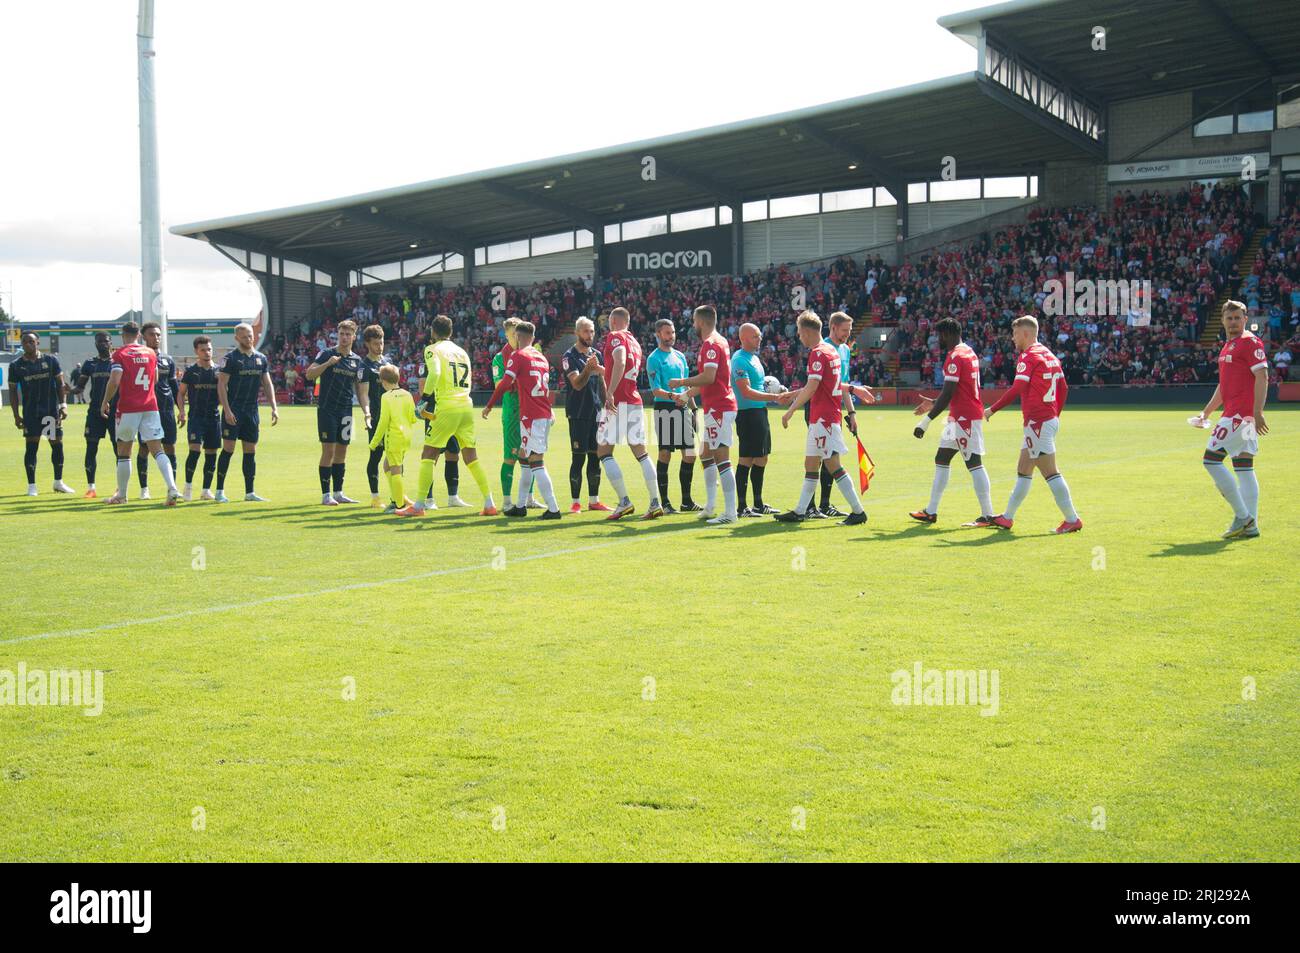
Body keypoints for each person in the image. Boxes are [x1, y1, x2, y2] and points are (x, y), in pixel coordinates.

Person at [984, 315, 1082, 533]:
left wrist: (993, 409)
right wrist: (1055, 415)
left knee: (1050, 472)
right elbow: (1063, 388)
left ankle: (1072, 519)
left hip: (1038, 422)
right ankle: (1007, 517)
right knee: (1024, 469)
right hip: (1045, 420)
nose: (1013, 338)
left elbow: (1017, 388)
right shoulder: (1049, 355)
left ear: (1026, 334)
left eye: (1015, 334)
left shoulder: (1028, 357)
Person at [773, 311, 867, 526]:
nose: (799, 337)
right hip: (823, 418)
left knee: (833, 465)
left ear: (806, 332)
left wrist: (790, 410)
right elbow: (822, 385)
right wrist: (794, 394)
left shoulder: (818, 354)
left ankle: (858, 510)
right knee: (811, 464)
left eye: (799, 333)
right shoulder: (831, 352)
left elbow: (813, 388)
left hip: (823, 419)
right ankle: (800, 510)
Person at [1192, 299, 1269, 538]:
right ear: (1223, 320)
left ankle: (1243, 516)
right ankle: (1251, 525)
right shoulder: (1229, 346)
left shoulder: (1249, 343)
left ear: (1246, 319)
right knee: (1244, 468)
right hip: (1236, 415)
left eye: (1238, 318)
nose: (1233, 322)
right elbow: (1223, 386)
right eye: (1229, 318)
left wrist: (1257, 412)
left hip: (1239, 416)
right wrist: (1206, 412)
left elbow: (1263, 377)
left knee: (1211, 461)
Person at [909, 318, 997, 526]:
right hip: (958, 416)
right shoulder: (968, 351)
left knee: (974, 463)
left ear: (947, 334)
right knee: (942, 457)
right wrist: (933, 402)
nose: (937, 340)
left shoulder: (955, 357)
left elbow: (949, 393)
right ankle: (931, 511)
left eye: (939, 336)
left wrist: (925, 421)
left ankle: (988, 515)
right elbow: (957, 391)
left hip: (964, 418)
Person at [409, 315, 497, 516]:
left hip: (446, 407)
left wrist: (424, 399)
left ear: (433, 331)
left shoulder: (432, 349)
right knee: (471, 457)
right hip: (466, 406)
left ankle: (419, 506)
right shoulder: (462, 352)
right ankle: (489, 503)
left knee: (428, 455)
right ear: (451, 332)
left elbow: (436, 374)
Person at [668, 305, 739, 524]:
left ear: (701, 322)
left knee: (722, 459)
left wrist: (681, 382)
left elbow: (708, 377)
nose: (693, 326)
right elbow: (713, 380)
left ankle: (730, 513)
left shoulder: (711, 344)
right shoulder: (719, 341)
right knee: (706, 454)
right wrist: (687, 393)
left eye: (694, 322)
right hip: (715, 407)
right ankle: (710, 507)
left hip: (719, 408)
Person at [482, 321, 561, 518]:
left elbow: (504, 384)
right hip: (543, 413)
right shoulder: (541, 357)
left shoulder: (518, 355)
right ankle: (520, 505)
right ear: (533, 338)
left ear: (517, 337)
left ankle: (554, 509)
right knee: (525, 459)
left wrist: (490, 404)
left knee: (536, 462)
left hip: (530, 416)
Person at [99, 321, 179, 505]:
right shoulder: (151, 353)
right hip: (151, 406)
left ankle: (121, 495)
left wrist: (105, 401)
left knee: (124, 452)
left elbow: (114, 380)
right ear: (139, 335)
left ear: (123, 335)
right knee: (157, 450)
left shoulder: (120, 354)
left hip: (128, 408)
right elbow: (156, 378)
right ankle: (172, 487)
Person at [596, 307, 663, 521]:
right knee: (641, 453)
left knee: (604, 452)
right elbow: (623, 365)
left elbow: (620, 361)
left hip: (619, 402)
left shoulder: (615, 336)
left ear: (614, 321)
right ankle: (655, 502)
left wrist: (610, 393)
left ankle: (624, 501)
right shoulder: (634, 341)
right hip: (634, 400)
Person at [304, 318, 370, 505]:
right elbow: (309, 374)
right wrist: (328, 364)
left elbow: (361, 390)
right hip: (327, 410)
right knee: (329, 451)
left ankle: (339, 492)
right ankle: (326, 495)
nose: (344, 337)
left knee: (342, 451)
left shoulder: (357, 361)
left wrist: (366, 412)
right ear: (337, 335)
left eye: (348, 334)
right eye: (341, 334)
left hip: (346, 411)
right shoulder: (326, 354)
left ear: (354, 337)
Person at [216, 321, 278, 502]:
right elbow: (221, 385)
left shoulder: (260, 358)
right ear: (237, 338)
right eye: (244, 336)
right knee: (228, 449)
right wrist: (226, 410)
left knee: (250, 451)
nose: (248, 339)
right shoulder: (231, 359)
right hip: (233, 410)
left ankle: (250, 492)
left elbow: (267, 383)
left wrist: (274, 407)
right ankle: (219, 491)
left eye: (250, 335)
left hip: (252, 411)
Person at [730, 322, 787, 516]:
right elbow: (745, 391)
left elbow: (760, 385)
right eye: (755, 336)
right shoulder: (739, 360)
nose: (760, 339)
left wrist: (778, 390)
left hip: (760, 412)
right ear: (744, 338)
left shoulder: (754, 359)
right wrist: (774, 398)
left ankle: (758, 504)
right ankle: (741, 507)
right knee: (746, 458)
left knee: (762, 457)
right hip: (747, 415)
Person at [645, 318, 700, 514]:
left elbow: (687, 386)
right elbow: (655, 390)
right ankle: (666, 503)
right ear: (658, 334)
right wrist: (673, 395)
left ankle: (686, 501)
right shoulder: (654, 358)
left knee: (690, 455)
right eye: (667, 333)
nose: (671, 336)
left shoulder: (680, 356)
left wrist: (694, 410)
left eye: (673, 332)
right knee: (665, 454)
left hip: (683, 408)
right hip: (665, 408)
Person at [8, 331, 72, 496]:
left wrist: (63, 405)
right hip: (31, 414)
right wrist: (16, 415)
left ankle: (58, 482)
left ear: (37, 342)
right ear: (21, 345)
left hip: (50, 412)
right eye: (25, 342)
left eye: (31, 341)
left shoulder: (50, 361)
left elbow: (60, 384)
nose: (28, 344)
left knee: (56, 444)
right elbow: (13, 392)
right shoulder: (16, 365)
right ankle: (32, 486)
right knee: (31, 447)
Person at [807, 311, 857, 518]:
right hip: (818, 410)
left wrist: (851, 413)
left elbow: (841, 385)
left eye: (849, 330)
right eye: (845, 330)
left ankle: (824, 504)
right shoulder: (822, 349)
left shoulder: (845, 350)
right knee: (818, 458)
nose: (847, 334)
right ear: (833, 327)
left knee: (828, 456)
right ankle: (810, 507)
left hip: (833, 411)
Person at [561, 316, 608, 513]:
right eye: (586, 331)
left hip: (596, 414)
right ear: (577, 333)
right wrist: (588, 369)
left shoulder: (596, 354)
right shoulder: (569, 357)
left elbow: (603, 382)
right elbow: (577, 384)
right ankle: (575, 502)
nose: (590, 335)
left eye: (592, 331)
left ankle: (594, 500)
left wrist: (607, 404)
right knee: (578, 458)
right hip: (578, 413)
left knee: (595, 457)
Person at [134, 322, 179, 500]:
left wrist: (181, 410)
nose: (156, 338)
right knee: (144, 449)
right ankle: (144, 489)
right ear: (144, 337)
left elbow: (174, 387)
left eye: (158, 335)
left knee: (170, 448)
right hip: (147, 410)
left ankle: (172, 488)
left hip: (167, 410)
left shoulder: (168, 359)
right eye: (152, 334)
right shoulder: (139, 359)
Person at [177, 334, 222, 500]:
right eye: (203, 350)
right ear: (197, 351)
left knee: (211, 454)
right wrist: (181, 411)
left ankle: (205, 490)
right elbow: (180, 393)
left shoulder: (219, 371)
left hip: (214, 418)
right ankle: (188, 487)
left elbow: (225, 392)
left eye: (209, 349)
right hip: (196, 418)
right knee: (194, 451)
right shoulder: (191, 372)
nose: (207, 352)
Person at [369, 366, 419, 517]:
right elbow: (413, 417)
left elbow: (383, 421)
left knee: (395, 469)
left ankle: (399, 504)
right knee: (387, 466)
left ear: (383, 381)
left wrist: (374, 441)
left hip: (394, 437)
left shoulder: (386, 397)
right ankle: (399, 497)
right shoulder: (407, 394)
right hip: (406, 436)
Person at [72, 332, 114, 497]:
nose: (102, 344)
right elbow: (80, 387)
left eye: (105, 341)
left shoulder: (118, 361)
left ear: (111, 343)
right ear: (95, 344)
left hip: (114, 411)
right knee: (91, 448)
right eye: (99, 341)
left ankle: (120, 487)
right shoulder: (90, 363)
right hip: (95, 411)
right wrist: (68, 390)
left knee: (119, 448)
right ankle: (91, 488)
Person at [359, 324, 394, 508]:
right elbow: (363, 393)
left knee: (395, 456)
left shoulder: (388, 363)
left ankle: (397, 495)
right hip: (376, 418)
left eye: (381, 342)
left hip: (392, 419)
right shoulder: (364, 366)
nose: (379, 346)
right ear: (367, 344)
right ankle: (375, 496)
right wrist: (367, 413)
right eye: (375, 343)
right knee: (376, 456)